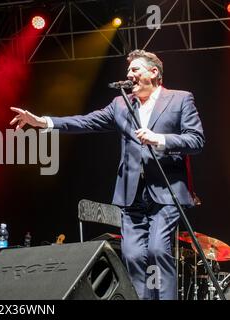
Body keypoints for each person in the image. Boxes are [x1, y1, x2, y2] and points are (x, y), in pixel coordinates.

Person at [10, 50, 205, 300]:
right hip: (131, 194)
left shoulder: (179, 99)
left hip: (166, 192)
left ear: (154, 72)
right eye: (128, 71)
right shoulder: (120, 104)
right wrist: (44, 122)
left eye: (135, 70)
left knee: (157, 250)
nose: (129, 74)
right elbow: (85, 122)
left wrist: (161, 140)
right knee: (132, 256)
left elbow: (196, 140)